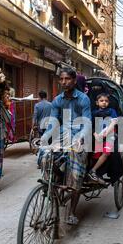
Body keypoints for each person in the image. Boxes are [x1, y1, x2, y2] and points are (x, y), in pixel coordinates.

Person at [40, 68, 92, 226]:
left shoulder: (83, 99)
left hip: (80, 135)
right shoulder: (57, 100)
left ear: (74, 81)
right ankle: (49, 186)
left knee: (76, 173)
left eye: (67, 79)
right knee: (45, 156)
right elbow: (53, 123)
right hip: (63, 135)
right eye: (61, 79)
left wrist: (81, 138)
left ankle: (72, 212)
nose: (64, 82)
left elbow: (87, 122)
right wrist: (45, 138)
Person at [89, 93, 118, 185]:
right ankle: (96, 173)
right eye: (101, 101)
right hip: (97, 136)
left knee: (106, 153)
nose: (104, 102)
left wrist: (105, 134)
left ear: (108, 102)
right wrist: (95, 135)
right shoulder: (93, 113)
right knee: (96, 153)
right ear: (97, 103)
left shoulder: (111, 111)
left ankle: (93, 170)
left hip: (109, 135)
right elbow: (90, 125)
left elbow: (113, 123)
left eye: (106, 101)